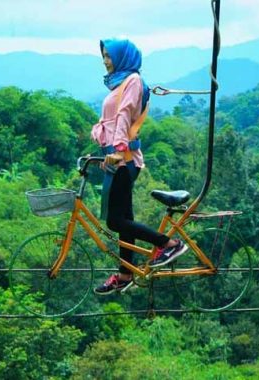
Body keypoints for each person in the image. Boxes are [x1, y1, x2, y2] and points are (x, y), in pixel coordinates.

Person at [91, 38, 188, 295]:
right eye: (103, 56)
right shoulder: (120, 82)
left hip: (125, 160)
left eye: (109, 56)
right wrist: (106, 151)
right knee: (125, 220)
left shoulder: (132, 80)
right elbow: (111, 121)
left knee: (115, 220)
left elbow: (124, 114)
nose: (105, 61)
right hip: (116, 159)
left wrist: (119, 150)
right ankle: (125, 274)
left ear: (123, 57)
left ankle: (168, 244)